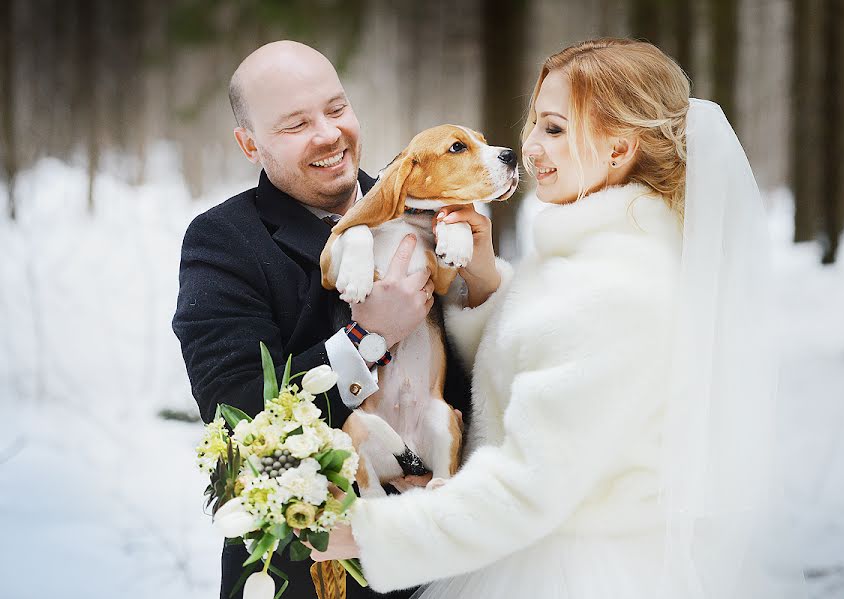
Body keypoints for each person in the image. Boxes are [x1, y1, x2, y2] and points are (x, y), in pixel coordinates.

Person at [310, 38, 792, 598]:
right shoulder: (596, 251)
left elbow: (528, 489)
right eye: (535, 123)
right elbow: (541, 357)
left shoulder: (617, 284)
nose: (530, 146)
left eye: (555, 129)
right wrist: (486, 282)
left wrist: (363, 533)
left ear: (617, 150)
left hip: (566, 572)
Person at [172, 41, 469, 599]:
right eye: (295, 124)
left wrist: (482, 277)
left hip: (449, 570)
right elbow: (239, 413)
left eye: (336, 109)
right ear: (249, 144)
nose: (329, 135)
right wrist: (370, 335)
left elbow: (489, 378)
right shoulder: (223, 241)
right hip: (306, 575)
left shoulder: (426, 197)